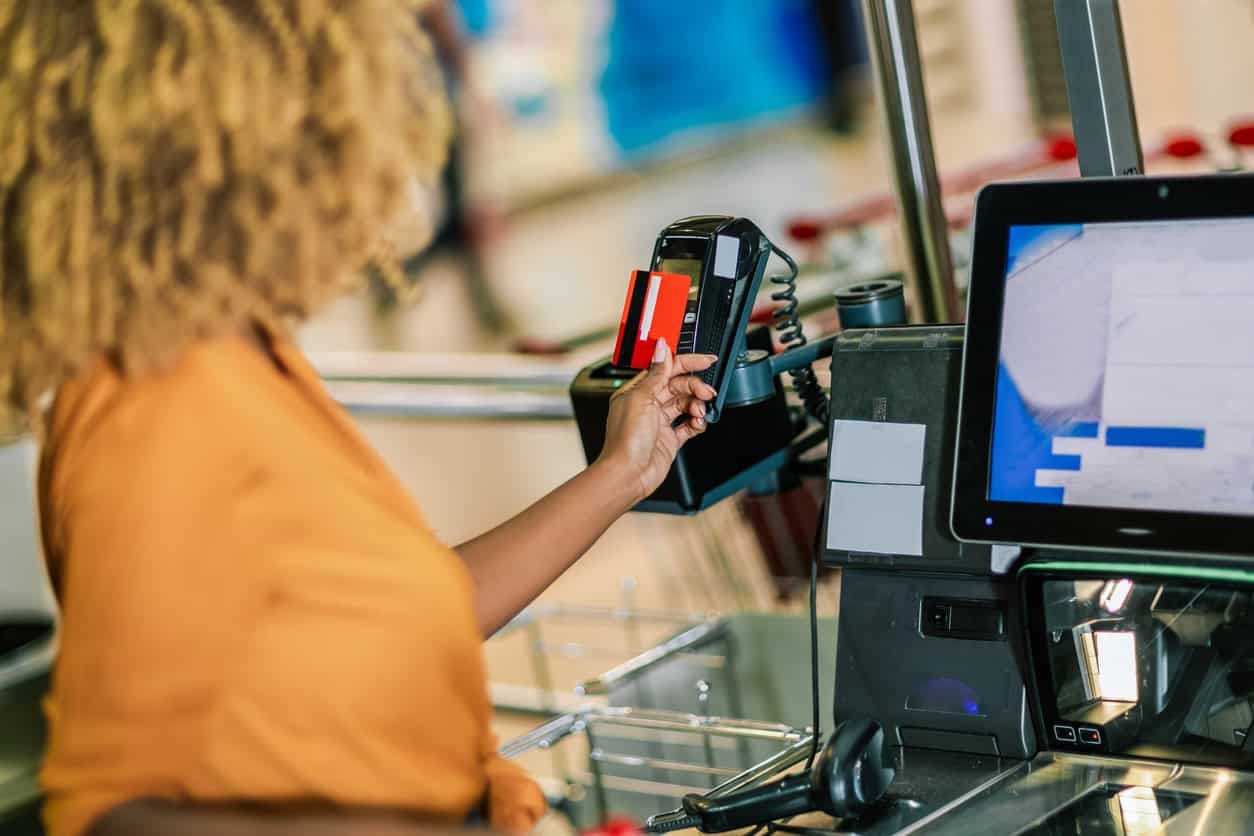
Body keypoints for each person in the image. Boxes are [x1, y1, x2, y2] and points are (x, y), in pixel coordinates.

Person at [0, 3, 715, 836]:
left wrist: (622, 472)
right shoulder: (153, 397)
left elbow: (409, 617)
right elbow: (120, 810)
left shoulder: (241, 349)